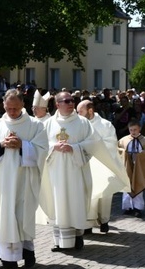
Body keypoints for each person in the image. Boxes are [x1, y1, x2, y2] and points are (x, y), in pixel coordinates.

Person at [38, 92, 127, 251]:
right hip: (56, 172)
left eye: (72, 100)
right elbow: (40, 145)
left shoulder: (83, 123)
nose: (71, 103)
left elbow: (94, 143)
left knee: (76, 201)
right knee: (59, 203)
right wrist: (54, 147)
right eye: (66, 101)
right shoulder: (48, 123)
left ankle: (78, 237)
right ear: (57, 104)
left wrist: (74, 148)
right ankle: (60, 241)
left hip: (76, 171)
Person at [0, 90, 47, 269]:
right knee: (3, 216)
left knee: (22, 215)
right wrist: (1, 145)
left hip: (24, 180)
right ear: (3, 105)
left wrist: (22, 145)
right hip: (2, 181)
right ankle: (7, 260)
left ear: (23, 105)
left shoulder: (34, 125)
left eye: (15, 108)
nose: (12, 112)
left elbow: (42, 150)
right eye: (9, 108)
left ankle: (27, 255)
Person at [78, 100, 126, 233]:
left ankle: (104, 220)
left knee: (104, 194)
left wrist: (94, 146)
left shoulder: (105, 125)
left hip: (103, 164)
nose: (78, 114)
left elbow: (111, 143)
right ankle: (88, 223)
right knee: (89, 194)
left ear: (90, 111)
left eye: (80, 111)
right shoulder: (80, 126)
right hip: (87, 164)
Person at [119, 120, 145, 217]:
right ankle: (127, 207)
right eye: (131, 130)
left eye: (135, 130)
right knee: (126, 187)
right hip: (127, 166)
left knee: (138, 185)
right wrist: (124, 152)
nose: (133, 132)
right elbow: (117, 150)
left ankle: (138, 208)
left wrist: (140, 155)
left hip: (139, 168)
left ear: (140, 129)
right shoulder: (123, 140)